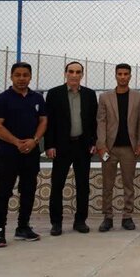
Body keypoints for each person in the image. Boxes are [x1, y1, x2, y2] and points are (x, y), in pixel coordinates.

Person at [0, 62, 47, 248]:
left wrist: (34, 141)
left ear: (30, 77)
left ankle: (23, 227)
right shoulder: (2, 99)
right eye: (18, 75)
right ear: (11, 76)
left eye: (25, 75)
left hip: (31, 153)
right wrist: (16, 142)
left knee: (28, 190)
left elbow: (43, 121)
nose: (21, 78)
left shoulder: (37, 98)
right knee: (3, 191)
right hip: (8, 154)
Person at [44, 61, 98, 236]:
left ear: (82, 74)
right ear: (65, 73)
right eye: (71, 71)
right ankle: (56, 223)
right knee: (57, 185)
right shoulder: (54, 94)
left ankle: (80, 221)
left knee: (83, 185)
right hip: (61, 146)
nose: (74, 75)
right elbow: (49, 122)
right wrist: (49, 145)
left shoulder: (90, 95)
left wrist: (94, 142)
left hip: (82, 146)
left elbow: (93, 121)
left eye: (78, 72)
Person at [96, 63, 140, 232]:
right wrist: (101, 145)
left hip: (129, 148)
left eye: (126, 74)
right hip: (109, 148)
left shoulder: (138, 97)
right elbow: (101, 122)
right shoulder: (105, 97)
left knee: (128, 184)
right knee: (107, 184)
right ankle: (107, 217)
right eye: (120, 74)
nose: (123, 77)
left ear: (130, 76)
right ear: (115, 75)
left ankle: (127, 217)